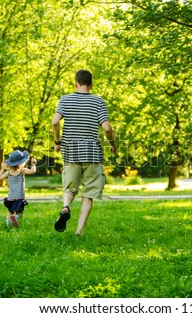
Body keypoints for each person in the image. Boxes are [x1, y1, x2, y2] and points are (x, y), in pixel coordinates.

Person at [52, 69, 116, 235]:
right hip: (92, 155)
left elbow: (54, 122)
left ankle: (65, 207)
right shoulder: (98, 102)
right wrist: (112, 143)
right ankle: (79, 231)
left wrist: (57, 142)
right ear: (91, 85)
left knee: (69, 189)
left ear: (76, 84)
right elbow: (107, 128)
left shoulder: (65, 100)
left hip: (71, 153)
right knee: (88, 195)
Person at [0, 150, 37, 227]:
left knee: (9, 212)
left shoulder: (8, 172)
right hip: (19, 197)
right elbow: (33, 171)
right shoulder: (22, 171)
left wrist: (2, 168)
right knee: (20, 213)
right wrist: (33, 164)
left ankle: (8, 226)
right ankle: (15, 217)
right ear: (21, 162)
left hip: (11, 197)